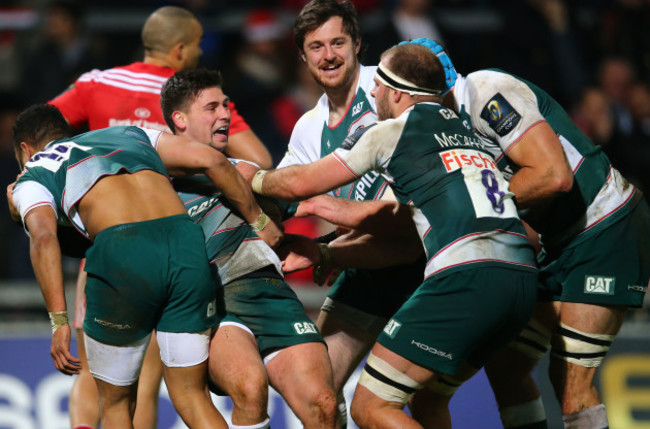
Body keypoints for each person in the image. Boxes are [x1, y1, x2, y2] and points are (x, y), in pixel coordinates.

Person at [247, 42, 539, 428]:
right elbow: (400, 229)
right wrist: (330, 253)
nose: (372, 92)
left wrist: (249, 178)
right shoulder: (468, 132)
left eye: (379, 84)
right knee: (429, 401)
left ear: (398, 92)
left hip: (466, 276)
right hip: (522, 278)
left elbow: (300, 182)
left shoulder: (394, 131)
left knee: (371, 407)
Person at [401, 38, 650, 429]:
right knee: (506, 367)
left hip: (605, 224)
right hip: (562, 241)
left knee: (571, 383)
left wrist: (477, 207)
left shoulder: (486, 91)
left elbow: (554, 176)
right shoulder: (450, 126)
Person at [47, 6, 272, 428]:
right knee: (146, 383)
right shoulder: (190, 95)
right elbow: (256, 162)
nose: (203, 51)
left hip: (104, 246)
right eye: (200, 43)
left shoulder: (95, 82)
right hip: (171, 244)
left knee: (97, 378)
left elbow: (42, 135)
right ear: (181, 49)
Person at [10, 103, 281, 429]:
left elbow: (42, 237)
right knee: (192, 396)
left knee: (116, 405)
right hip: (186, 244)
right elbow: (213, 160)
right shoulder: (128, 133)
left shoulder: (34, 171)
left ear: (25, 150)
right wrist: (259, 219)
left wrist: (59, 321)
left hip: (122, 252)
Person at [159, 68, 338, 429]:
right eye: (212, 108)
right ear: (179, 119)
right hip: (214, 303)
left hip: (270, 293)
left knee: (325, 405)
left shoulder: (247, 171)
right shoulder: (156, 185)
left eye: (226, 105)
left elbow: (316, 206)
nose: (225, 114)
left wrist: (394, 216)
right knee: (249, 387)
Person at [279, 1, 425, 424]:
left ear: (358, 44)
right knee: (318, 396)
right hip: (369, 266)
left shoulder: (393, 86)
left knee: (417, 403)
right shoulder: (309, 127)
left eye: (338, 42)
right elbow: (283, 190)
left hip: (428, 259)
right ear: (303, 57)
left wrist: (331, 249)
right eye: (317, 47)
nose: (328, 55)